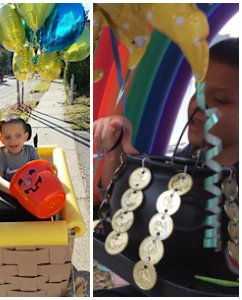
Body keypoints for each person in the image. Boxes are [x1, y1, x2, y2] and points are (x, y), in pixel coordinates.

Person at [93, 38, 238, 296]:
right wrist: (114, 152)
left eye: (220, 99)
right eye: (199, 90)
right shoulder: (190, 158)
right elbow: (118, 211)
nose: (199, 104)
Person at [0, 115, 41, 195]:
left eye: (18, 136)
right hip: (9, 194)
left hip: (31, 192)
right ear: (2, 139)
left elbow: (41, 172)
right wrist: (17, 192)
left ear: (25, 137)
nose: (13, 141)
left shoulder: (30, 151)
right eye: (7, 137)